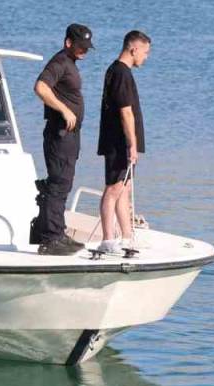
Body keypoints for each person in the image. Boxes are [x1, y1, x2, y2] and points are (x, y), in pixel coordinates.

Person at [33, 23, 94, 256]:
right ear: (68, 42)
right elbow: (40, 87)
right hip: (59, 134)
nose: (84, 50)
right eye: (80, 46)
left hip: (69, 136)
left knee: (64, 182)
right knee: (58, 183)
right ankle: (50, 240)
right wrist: (64, 110)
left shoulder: (70, 63)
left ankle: (56, 232)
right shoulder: (59, 62)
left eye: (87, 47)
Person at [96, 30, 151, 255]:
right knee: (114, 188)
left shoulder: (119, 71)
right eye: (145, 52)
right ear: (133, 49)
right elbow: (125, 112)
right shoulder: (120, 73)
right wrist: (132, 144)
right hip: (119, 143)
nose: (146, 57)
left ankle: (127, 237)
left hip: (121, 142)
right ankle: (107, 240)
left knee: (125, 189)